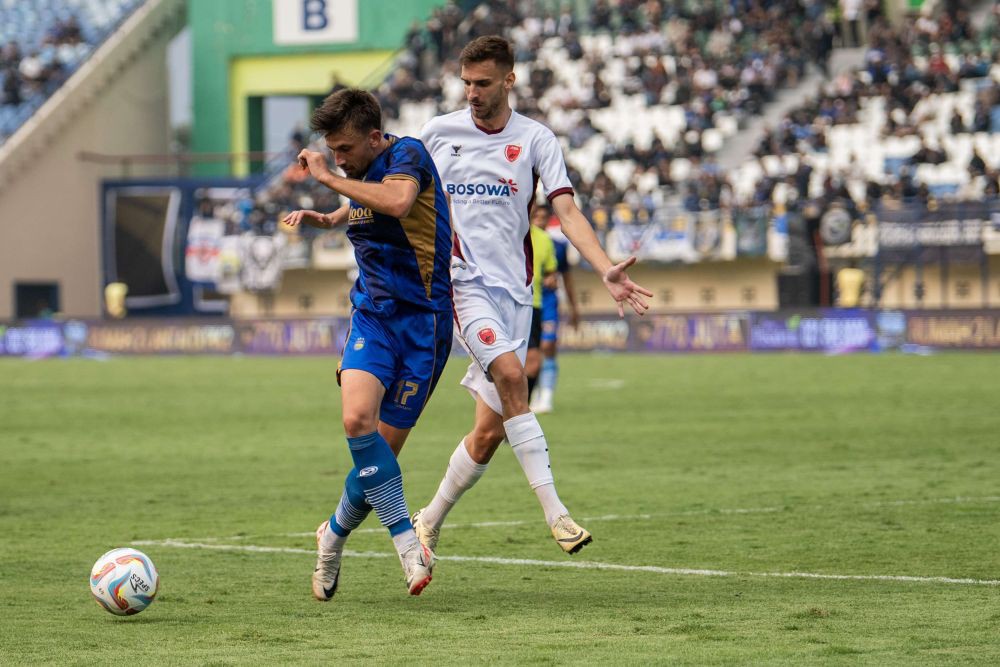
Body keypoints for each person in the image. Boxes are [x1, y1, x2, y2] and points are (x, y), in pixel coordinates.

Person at [412, 36, 652, 557]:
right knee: (516, 377)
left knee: (489, 432)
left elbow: (567, 211)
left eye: (483, 83)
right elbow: (398, 189)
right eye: (467, 83)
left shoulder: (537, 139)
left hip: (515, 296)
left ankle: (427, 520)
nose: (472, 93)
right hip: (461, 284)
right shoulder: (436, 133)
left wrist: (605, 268)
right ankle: (557, 514)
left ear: (509, 80)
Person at [283, 88, 453, 598]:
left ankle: (331, 535)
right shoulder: (357, 174)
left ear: (376, 138)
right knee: (357, 422)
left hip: (424, 325)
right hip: (373, 318)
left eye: (346, 149)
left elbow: (398, 202)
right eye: (332, 150)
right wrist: (329, 217)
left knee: (379, 461)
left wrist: (328, 179)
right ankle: (407, 544)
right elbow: (361, 209)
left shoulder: (409, 155)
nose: (338, 159)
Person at [530, 204, 580, 414]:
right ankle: (530, 395)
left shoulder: (556, 245)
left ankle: (546, 396)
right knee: (529, 355)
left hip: (548, 302)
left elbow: (566, 279)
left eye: (544, 217)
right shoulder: (520, 239)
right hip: (526, 301)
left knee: (548, 346)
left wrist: (574, 308)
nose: (540, 220)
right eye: (537, 216)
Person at [524, 204, 559, 399]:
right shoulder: (503, 233)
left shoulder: (544, 239)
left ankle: (521, 409)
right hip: (502, 304)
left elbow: (551, 272)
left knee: (533, 363)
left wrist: (551, 279)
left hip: (533, 305)